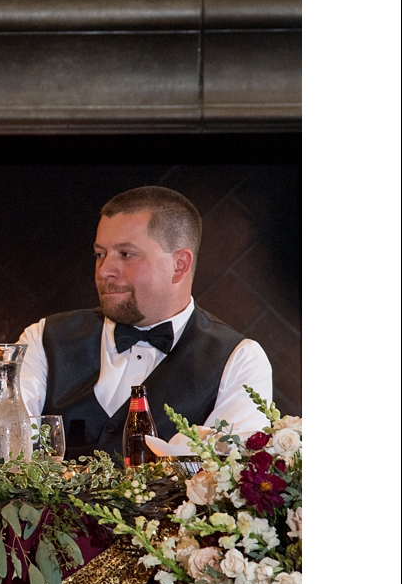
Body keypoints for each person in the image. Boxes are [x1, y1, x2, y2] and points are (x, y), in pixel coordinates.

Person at [15, 185, 273, 458]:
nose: (104, 271)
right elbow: (5, 454)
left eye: (126, 254)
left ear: (180, 265)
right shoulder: (43, 338)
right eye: (100, 254)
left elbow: (227, 477)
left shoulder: (240, 360)